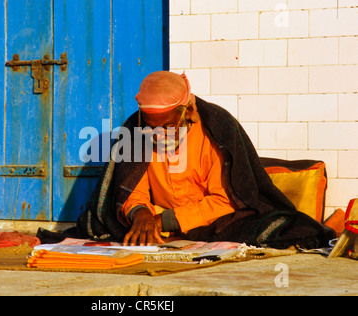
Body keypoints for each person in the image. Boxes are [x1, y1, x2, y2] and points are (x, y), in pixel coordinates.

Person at [74, 71, 335, 250]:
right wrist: (140, 213)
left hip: (215, 223)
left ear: (187, 112)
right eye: (150, 128)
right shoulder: (137, 129)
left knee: (287, 229)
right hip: (158, 222)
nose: (157, 135)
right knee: (99, 224)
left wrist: (166, 221)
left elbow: (226, 200)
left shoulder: (217, 129)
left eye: (166, 127)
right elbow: (131, 188)